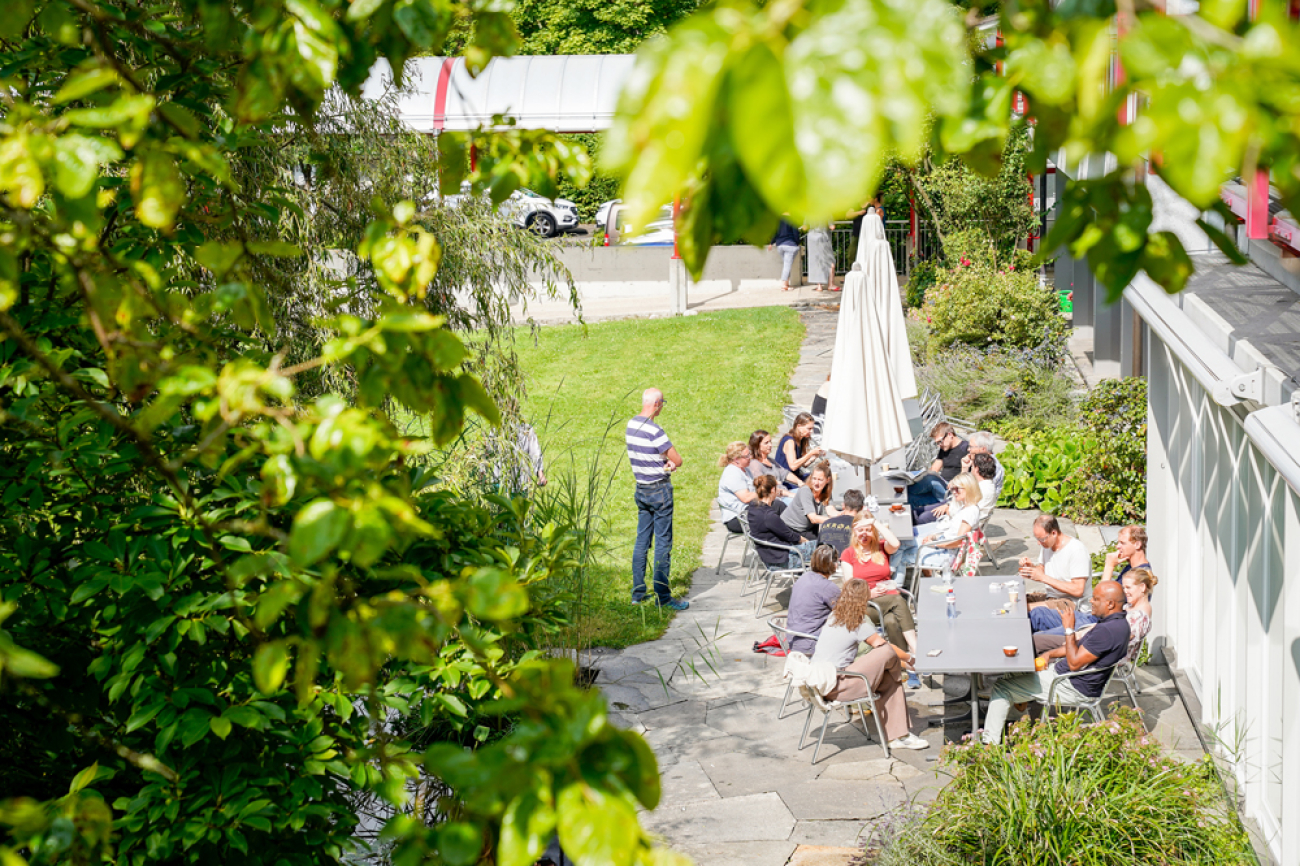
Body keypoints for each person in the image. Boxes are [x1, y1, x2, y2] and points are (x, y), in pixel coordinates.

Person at [982, 581, 1130, 745]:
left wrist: (1068, 628)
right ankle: (1012, 724)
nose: (1091, 601)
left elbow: (1074, 663)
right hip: (1065, 675)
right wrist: (1049, 653)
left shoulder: (1108, 631)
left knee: (1002, 687)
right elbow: (1079, 648)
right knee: (1016, 669)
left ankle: (989, 746)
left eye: (1096, 599)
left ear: (1110, 604)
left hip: (1070, 686)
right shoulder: (1116, 624)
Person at [811, 579, 929, 751]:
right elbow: (886, 650)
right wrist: (910, 660)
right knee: (885, 651)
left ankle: (897, 736)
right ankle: (900, 734)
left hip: (824, 682)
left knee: (889, 677)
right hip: (838, 685)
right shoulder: (857, 623)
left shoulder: (834, 616)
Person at [840, 513, 920, 686]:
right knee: (899, 601)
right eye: (860, 530)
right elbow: (849, 587)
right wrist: (870, 593)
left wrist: (875, 522)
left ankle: (907, 667)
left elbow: (896, 543)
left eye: (868, 530)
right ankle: (916, 650)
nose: (864, 534)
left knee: (892, 621)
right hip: (866, 605)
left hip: (888, 602)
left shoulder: (881, 548)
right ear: (854, 532)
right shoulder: (848, 554)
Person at [626, 388, 688, 610]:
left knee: (641, 541)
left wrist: (663, 461)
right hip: (659, 490)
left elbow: (650, 455)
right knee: (663, 543)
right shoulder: (655, 430)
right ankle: (663, 597)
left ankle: (638, 593)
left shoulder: (631, 425)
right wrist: (670, 463)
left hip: (641, 488)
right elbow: (677, 460)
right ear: (658, 404)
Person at [1031, 525, 1152, 632]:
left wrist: (1109, 565)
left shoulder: (1140, 577)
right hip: (1090, 617)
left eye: (1122, 543)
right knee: (1038, 613)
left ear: (1137, 544)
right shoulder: (1131, 567)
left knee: (1039, 629)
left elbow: (1101, 598)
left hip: (1096, 625)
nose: (1117, 546)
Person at [1035, 567, 1156, 661]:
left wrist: (1076, 636)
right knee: (1039, 623)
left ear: (1142, 587)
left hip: (1088, 649)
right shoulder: (1132, 608)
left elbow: (1107, 640)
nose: (1125, 592)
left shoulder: (1137, 618)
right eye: (1123, 588)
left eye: (1128, 588)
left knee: (1037, 641)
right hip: (1088, 639)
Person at [893, 473, 981, 572]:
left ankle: (890, 580)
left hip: (945, 555)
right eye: (952, 489)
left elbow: (958, 542)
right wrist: (934, 536)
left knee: (899, 552)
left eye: (957, 489)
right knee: (900, 544)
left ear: (969, 488)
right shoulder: (965, 507)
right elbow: (951, 533)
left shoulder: (970, 511)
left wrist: (934, 544)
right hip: (943, 546)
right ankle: (889, 579)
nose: (954, 492)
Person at [1021, 514, 1091, 621]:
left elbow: (1078, 590)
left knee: (1024, 610)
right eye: (1037, 538)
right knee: (1016, 602)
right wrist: (1031, 568)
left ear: (1054, 533)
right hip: (1052, 597)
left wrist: (1043, 578)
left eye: (1042, 539)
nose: (1038, 543)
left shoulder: (1076, 550)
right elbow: (1043, 569)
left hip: (1072, 603)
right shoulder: (1047, 545)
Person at [786, 544, 843, 655]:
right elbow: (846, 612)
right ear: (833, 564)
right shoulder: (828, 587)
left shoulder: (804, 577)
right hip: (811, 643)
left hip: (793, 640)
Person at [916, 451, 997, 528]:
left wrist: (948, 508)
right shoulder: (982, 484)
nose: (971, 469)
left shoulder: (982, 490)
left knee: (922, 518)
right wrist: (964, 468)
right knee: (918, 511)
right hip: (953, 505)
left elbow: (967, 511)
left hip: (957, 519)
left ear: (976, 469)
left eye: (972, 466)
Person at [748, 475, 813, 570]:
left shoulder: (753, 506)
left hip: (769, 555)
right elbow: (792, 536)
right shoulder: (769, 516)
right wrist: (808, 543)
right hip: (782, 559)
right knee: (823, 546)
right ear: (773, 490)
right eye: (776, 488)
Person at [782, 460, 839, 537]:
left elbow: (831, 511)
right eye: (814, 478)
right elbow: (813, 518)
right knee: (822, 544)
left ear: (827, 480)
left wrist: (844, 515)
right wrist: (834, 521)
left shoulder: (825, 491)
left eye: (820, 480)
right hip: (791, 529)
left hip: (808, 528)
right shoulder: (806, 491)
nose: (816, 483)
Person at [716, 442, 758, 535]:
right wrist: (765, 492)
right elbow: (746, 498)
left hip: (748, 512)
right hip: (737, 519)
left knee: (776, 507)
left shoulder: (745, 469)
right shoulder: (732, 473)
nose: (750, 457)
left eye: (749, 454)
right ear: (736, 459)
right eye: (747, 456)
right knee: (774, 512)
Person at [775, 413, 824, 490]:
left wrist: (815, 456)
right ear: (799, 427)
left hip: (796, 477)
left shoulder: (801, 440)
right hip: (785, 481)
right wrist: (810, 453)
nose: (812, 431)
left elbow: (803, 464)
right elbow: (793, 466)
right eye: (809, 428)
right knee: (814, 486)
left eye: (812, 428)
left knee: (820, 478)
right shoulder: (790, 441)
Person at [747, 429, 801, 496]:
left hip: (785, 492)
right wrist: (789, 494)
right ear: (757, 445)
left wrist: (800, 482)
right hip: (777, 499)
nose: (770, 445)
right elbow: (765, 488)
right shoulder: (755, 464)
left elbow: (785, 473)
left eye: (770, 442)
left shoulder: (770, 461)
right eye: (766, 443)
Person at [816, 488, 863, 554]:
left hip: (824, 562)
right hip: (845, 562)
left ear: (843, 505)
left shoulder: (826, 524)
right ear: (862, 508)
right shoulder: (861, 527)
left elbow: (817, 549)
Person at [962, 430, 1005, 501]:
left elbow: (975, 493)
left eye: (971, 447)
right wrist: (965, 468)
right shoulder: (978, 462)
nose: (968, 449)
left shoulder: (993, 466)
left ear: (983, 449)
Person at [769, 218, 801, 291]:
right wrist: (797, 242)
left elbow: (775, 233)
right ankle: (784, 285)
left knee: (787, 265)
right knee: (787, 265)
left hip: (780, 246)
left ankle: (786, 284)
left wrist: (771, 243)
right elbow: (795, 233)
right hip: (790, 245)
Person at [806, 223, 834, 291]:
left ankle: (819, 286)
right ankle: (831, 284)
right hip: (823, 238)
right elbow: (832, 227)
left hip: (812, 238)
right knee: (830, 260)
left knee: (816, 261)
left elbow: (805, 227)